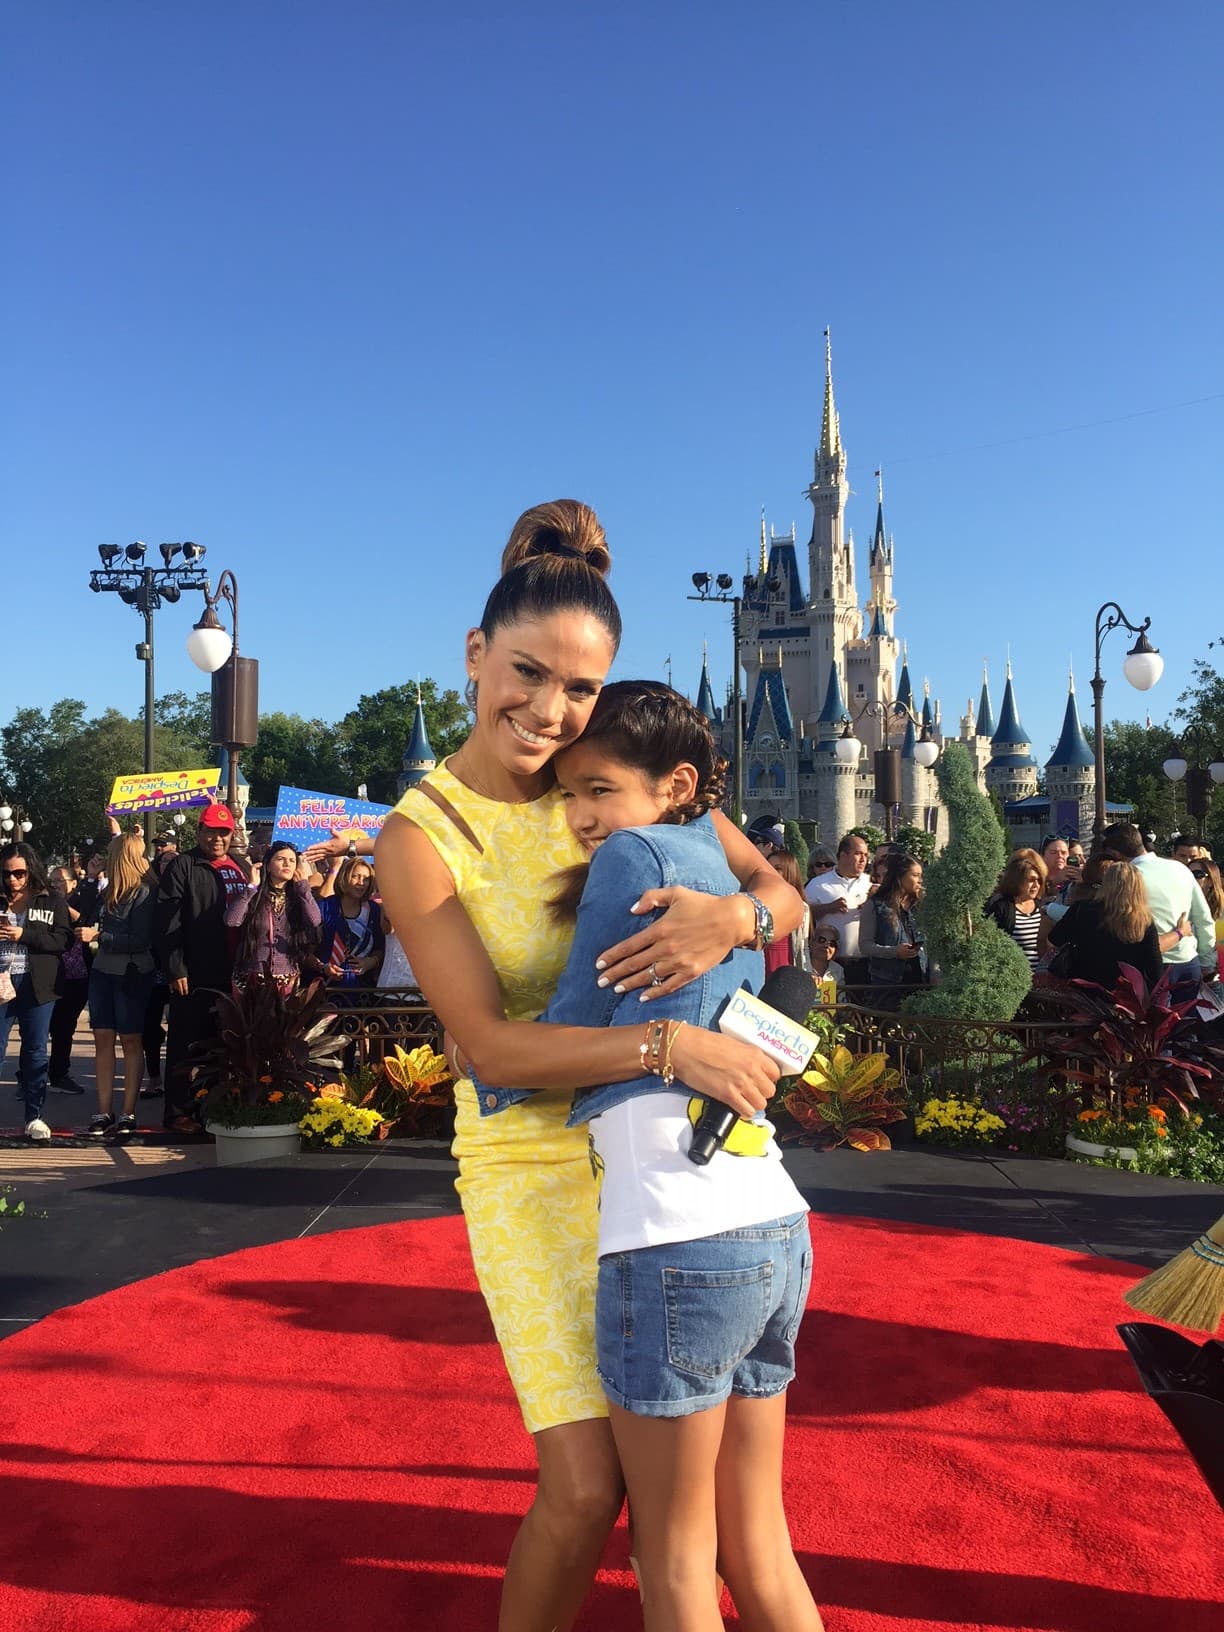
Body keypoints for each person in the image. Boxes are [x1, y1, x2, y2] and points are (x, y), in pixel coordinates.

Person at [373, 499, 802, 1632]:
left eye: (576, 690)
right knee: (585, 1484)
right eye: (526, 674)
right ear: (476, 655)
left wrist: (732, 925)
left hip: (669, 1157)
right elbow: (491, 1047)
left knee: (717, 1505)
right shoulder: (423, 835)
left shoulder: (608, 768)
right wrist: (672, 1043)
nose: (549, 710)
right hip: (532, 1164)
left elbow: (781, 892)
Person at [491, 680, 821, 1632]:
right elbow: (783, 903)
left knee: (674, 1562)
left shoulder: (632, 856)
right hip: (773, 1223)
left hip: (675, 1239)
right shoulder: (716, 854)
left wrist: (489, 1066)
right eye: (570, 795)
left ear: (674, 783)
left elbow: (574, 1020)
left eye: (598, 789)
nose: (583, 816)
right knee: (759, 1545)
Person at [154, 803, 249, 1131]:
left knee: (223, 1044)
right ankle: (179, 1112)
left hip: (234, 973)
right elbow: (167, 921)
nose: (218, 838)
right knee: (185, 1043)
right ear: (199, 832)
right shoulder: (183, 865)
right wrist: (175, 967)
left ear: (231, 834)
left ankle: (214, 1109)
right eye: (211, 831)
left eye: (224, 832)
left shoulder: (240, 865)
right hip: (193, 972)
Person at [82, 833, 157, 1138]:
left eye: (111, 853)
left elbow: (142, 941)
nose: (106, 857)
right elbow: (84, 917)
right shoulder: (108, 890)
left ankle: (128, 1112)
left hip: (131, 972)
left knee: (130, 1040)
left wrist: (102, 937)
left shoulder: (145, 892)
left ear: (122, 857)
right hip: (102, 971)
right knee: (102, 1038)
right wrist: (89, 878)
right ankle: (103, 1110)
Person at [0, 843, 71, 1142]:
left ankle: (34, 1116)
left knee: (35, 1051)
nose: (13, 880)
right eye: (6, 874)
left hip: (37, 983)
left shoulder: (50, 900)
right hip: (2, 981)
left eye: (19, 873)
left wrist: (24, 934)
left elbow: (63, 940)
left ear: (31, 870)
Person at [1099, 822, 1216, 999]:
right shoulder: (1180, 869)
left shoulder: (1127, 879)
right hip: (1189, 962)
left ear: (1114, 854)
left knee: (1157, 1026)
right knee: (1190, 1025)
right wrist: (1205, 962)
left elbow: (1105, 917)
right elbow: (1203, 918)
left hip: (1152, 967)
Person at [1046, 859, 1164, 990]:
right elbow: (1155, 970)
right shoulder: (1144, 921)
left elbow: (1052, 941)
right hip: (1125, 998)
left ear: (1105, 884)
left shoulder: (1082, 909)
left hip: (1083, 992)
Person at [226, 840, 321, 993]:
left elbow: (315, 920)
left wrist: (304, 888)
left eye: (292, 861)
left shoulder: (298, 898)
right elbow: (232, 920)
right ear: (268, 866)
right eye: (280, 859)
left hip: (287, 978)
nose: (287, 864)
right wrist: (251, 887)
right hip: (252, 977)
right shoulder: (255, 896)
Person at [858, 850, 928, 1011]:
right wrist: (894, 952)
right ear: (900, 876)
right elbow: (865, 945)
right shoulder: (876, 905)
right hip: (887, 983)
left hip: (919, 979)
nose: (920, 880)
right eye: (915, 875)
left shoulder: (920, 905)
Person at [804, 831, 872, 989]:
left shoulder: (870, 884)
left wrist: (872, 909)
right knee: (835, 1010)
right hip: (832, 964)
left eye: (866, 855)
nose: (863, 860)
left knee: (863, 1011)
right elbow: (803, 915)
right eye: (858, 854)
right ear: (843, 855)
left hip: (865, 963)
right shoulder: (818, 884)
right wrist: (829, 908)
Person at [46, 864, 90, 1094]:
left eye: (61, 880)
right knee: (42, 1026)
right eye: (52, 881)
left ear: (74, 882)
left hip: (77, 974)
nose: (56, 885)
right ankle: (29, 1076)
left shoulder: (80, 901)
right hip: (50, 972)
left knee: (64, 1027)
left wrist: (62, 904)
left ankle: (59, 1073)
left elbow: (87, 922)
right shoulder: (45, 902)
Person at [315, 855, 384, 988]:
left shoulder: (373, 910)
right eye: (355, 876)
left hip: (362, 990)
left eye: (366, 879)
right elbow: (306, 952)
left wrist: (371, 961)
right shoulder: (324, 906)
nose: (361, 883)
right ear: (344, 877)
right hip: (325, 987)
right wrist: (323, 967)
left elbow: (380, 948)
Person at [985, 851, 1048, 969]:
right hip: (1012, 977)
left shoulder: (1042, 907)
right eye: (1031, 880)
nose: (1036, 885)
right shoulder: (1002, 908)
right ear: (1018, 880)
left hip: (1040, 979)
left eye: (1039, 880)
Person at [766, 848, 812, 973]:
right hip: (760, 964)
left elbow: (803, 946)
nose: (771, 871)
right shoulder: (757, 902)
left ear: (789, 871)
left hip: (787, 966)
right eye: (768, 866)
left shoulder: (802, 907)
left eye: (778, 868)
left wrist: (808, 972)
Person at [1188, 857, 1224, 980]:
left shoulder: (1221, 911)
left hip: (1214, 978)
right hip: (1187, 975)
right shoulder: (1181, 906)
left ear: (1210, 880)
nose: (1190, 878)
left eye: (1197, 874)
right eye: (1187, 873)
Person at [809, 919, 845, 997]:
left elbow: (841, 1000)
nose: (826, 946)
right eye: (822, 940)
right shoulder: (799, 964)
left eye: (832, 944)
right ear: (811, 943)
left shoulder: (838, 970)